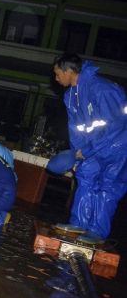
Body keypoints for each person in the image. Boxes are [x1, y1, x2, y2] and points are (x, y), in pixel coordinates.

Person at [52, 53, 127, 241]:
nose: (56, 78)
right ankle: (79, 224)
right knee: (85, 178)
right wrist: (78, 155)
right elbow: (76, 129)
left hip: (118, 147)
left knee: (108, 187)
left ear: (69, 71)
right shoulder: (70, 96)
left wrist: (85, 151)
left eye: (57, 73)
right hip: (92, 148)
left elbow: (113, 127)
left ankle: (97, 232)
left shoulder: (104, 89)